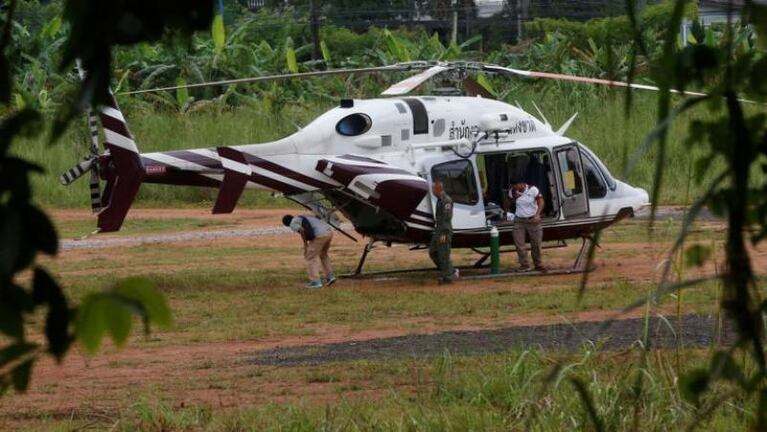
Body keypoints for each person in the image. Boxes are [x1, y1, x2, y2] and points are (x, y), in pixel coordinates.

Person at [282, 214, 336, 288]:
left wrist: (305, 244)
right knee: (323, 255)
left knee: (310, 257)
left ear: (287, 224)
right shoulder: (303, 216)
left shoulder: (293, 223)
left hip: (320, 235)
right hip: (329, 232)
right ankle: (330, 276)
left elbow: (301, 230)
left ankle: (315, 281)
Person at [509, 176, 546, 272]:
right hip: (519, 220)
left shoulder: (533, 190)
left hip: (532, 219)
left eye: (516, 185)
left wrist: (538, 215)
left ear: (522, 183)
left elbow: (541, 202)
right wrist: (506, 212)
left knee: (536, 244)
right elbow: (508, 201)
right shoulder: (512, 192)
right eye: (513, 186)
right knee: (519, 244)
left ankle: (538, 264)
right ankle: (524, 265)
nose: (515, 188)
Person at [429, 179, 459, 284]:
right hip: (438, 230)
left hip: (444, 231)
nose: (432, 191)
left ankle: (449, 275)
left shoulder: (446, 200)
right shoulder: (439, 200)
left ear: (438, 189)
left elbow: (446, 218)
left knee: (443, 253)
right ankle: (449, 271)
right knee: (433, 252)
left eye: (433, 189)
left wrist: (443, 234)